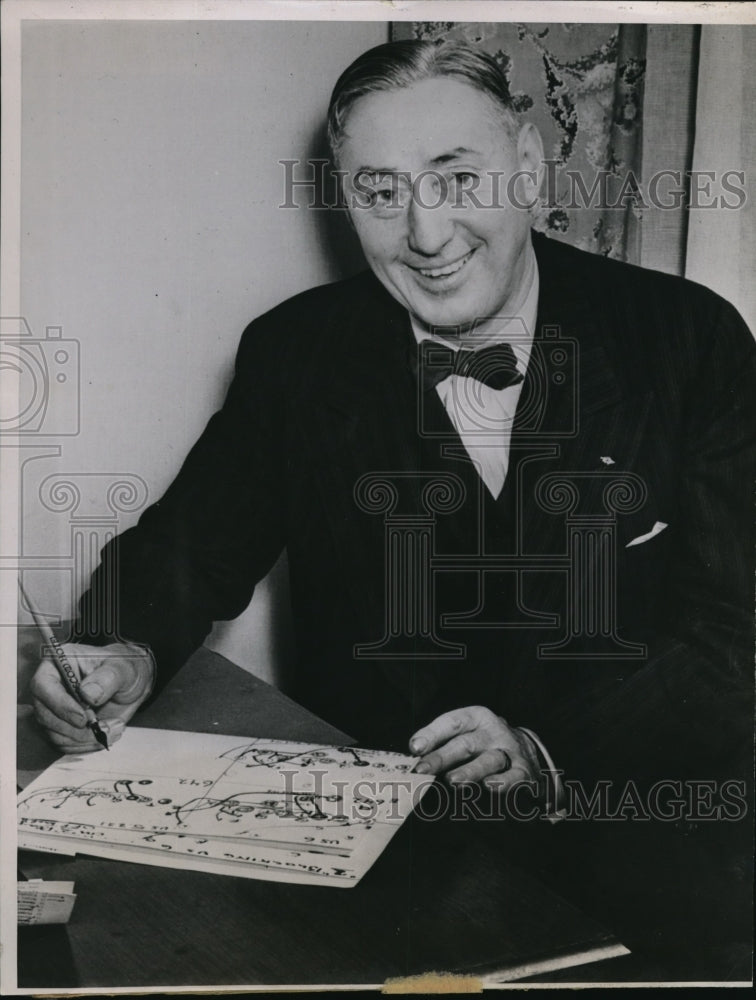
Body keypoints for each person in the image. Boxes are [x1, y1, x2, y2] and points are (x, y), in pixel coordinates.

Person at [30, 39, 754, 819]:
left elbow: (736, 635)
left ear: (529, 163)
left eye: (459, 177)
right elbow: (189, 547)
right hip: (381, 849)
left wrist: (548, 753)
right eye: (381, 193)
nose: (429, 234)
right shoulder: (296, 353)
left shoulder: (688, 338)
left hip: (629, 831)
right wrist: (121, 651)